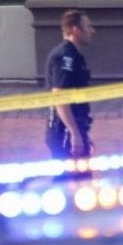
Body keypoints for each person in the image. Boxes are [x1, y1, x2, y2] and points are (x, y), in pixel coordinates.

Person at [44, 9, 95, 160]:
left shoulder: (74, 55)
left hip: (72, 129)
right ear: (76, 30)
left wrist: (82, 134)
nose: (93, 31)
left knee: (80, 180)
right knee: (72, 181)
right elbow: (60, 98)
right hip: (63, 133)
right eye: (88, 27)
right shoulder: (66, 58)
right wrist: (75, 134)